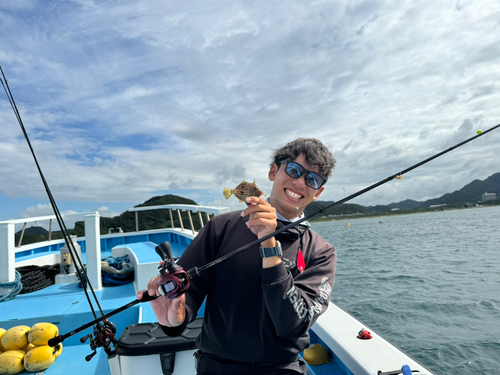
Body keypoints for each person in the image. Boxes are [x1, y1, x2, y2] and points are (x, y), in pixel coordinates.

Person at [137, 138, 337, 374]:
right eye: (294, 170)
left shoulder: (321, 252)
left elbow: (293, 324)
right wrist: (176, 317)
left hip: (281, 369)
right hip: (216, 366)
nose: (300, 183)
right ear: (274, 171)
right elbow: (189, 287)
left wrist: (269, 244)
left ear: (318, 192)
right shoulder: (221, 227)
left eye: (312, 179)